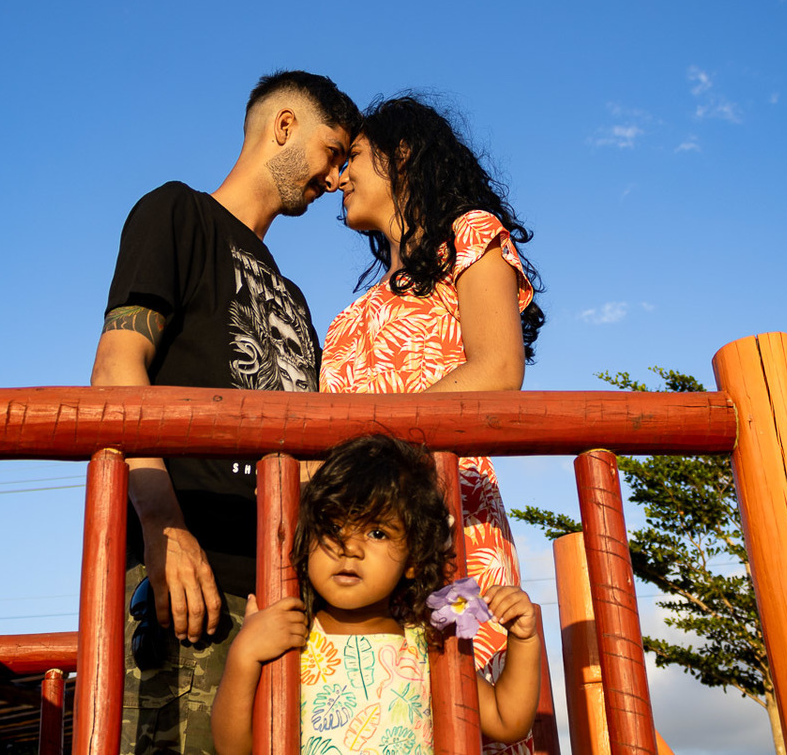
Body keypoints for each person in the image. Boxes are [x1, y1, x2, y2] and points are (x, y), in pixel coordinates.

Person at [91, 70, 360, 754]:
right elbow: (118, 368)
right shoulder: (176, 213)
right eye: (334, 153)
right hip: (190, 581)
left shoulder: (296, 300)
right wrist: (162, 527)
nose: (335, 179)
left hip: (288, 600)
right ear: (285, 126)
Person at [320, 95, 544, 754]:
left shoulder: (469, 235)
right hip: (359, 545)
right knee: (376, 714)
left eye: (354, 157)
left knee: (462, 703)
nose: (337, 177)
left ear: (404, 154)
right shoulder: (350, 315)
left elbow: (499, 367)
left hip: (450, 539)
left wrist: (375, 448)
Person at [211, 435, 542, 755]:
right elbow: (234, 748)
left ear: (413, 559)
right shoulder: (292, 635)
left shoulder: (427, 645)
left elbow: (505, 721)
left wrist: (523, 640)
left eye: (377, 532)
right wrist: (245, 654)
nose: (350, 548)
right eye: (333, 527)